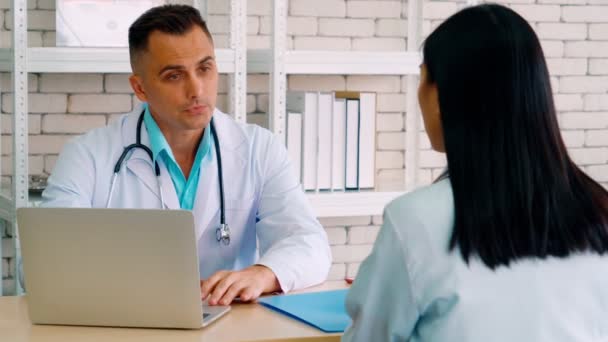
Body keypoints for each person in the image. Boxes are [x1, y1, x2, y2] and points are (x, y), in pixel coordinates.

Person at [343, 4, 608, 341]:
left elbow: (369, 337)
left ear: (440, 95)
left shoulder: (414, 220)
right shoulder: (599, 210)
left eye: (423, 78)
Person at [42, 4, 331, 306]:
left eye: (205, 68)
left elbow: (310, 244)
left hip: (231, 326)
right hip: (126, 322)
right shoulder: (87, 157)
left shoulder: (260, 149)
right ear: (140, 88)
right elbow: (44, 262)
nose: (197, 89)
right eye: (174, 76)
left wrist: (264, 272)